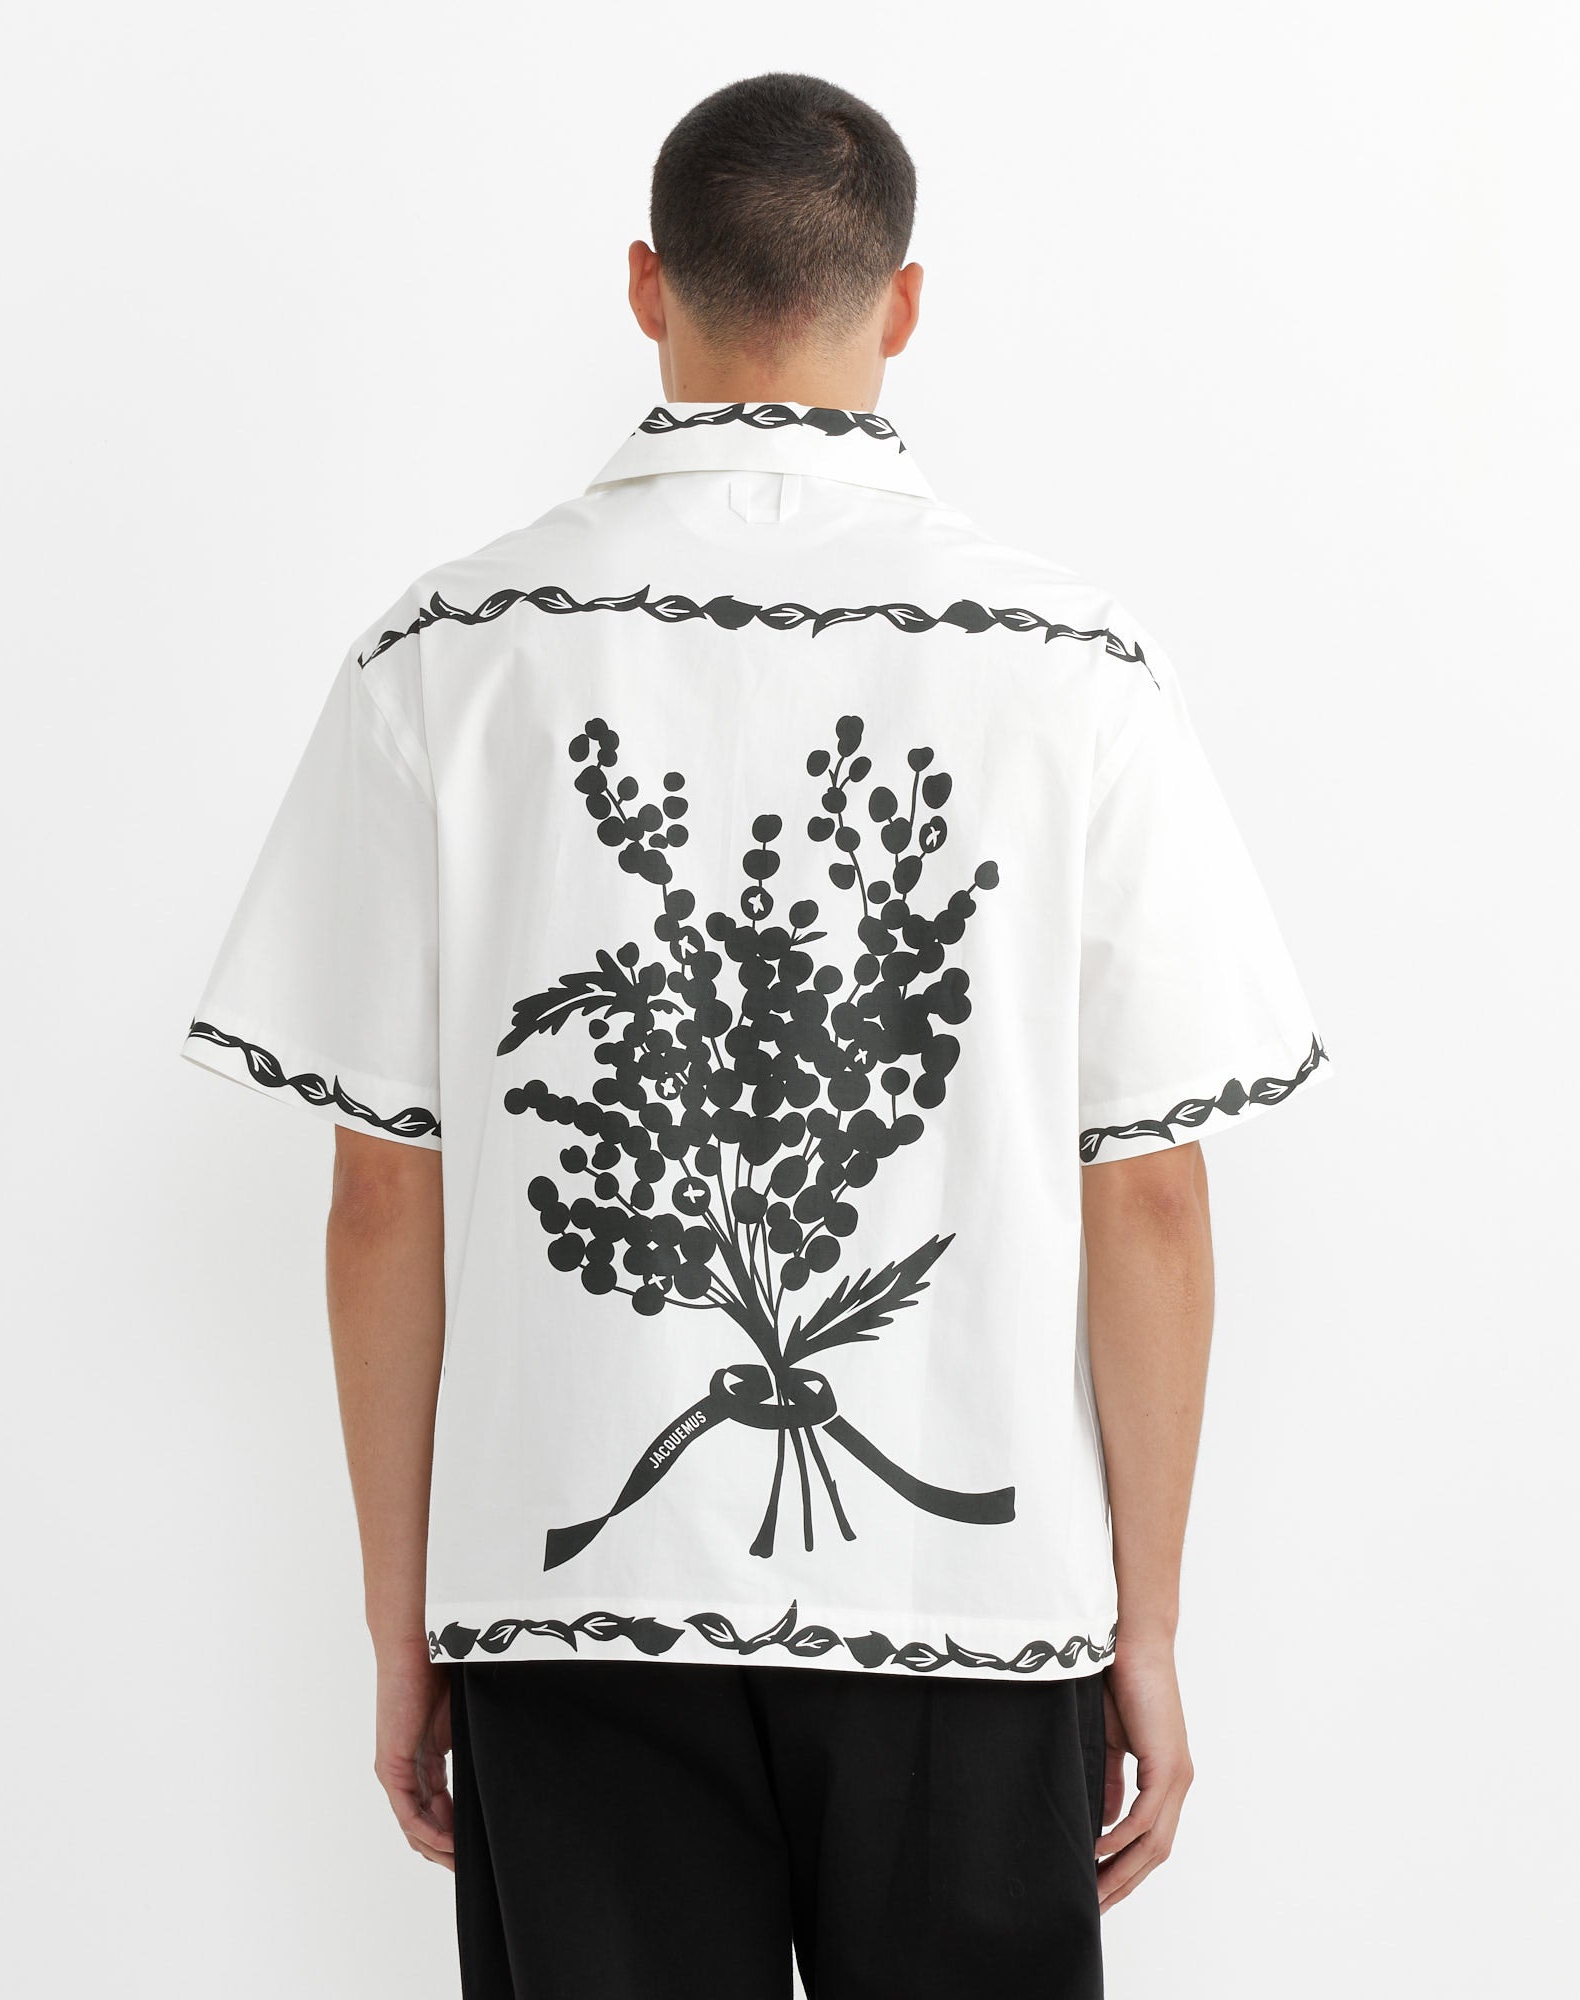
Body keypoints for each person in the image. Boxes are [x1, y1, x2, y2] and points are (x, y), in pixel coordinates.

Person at [182, 70, 1329, 2000]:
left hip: (572, 1609)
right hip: (973, 1615)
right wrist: (1145, 1624)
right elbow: (1150, 1195)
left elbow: (384, 1192)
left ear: (647, 284)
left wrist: (406, 1628)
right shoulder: (1072, 668)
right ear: (903, 302)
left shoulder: (448, 653)